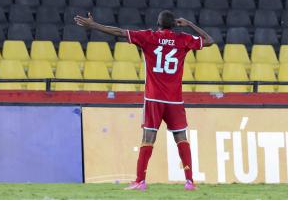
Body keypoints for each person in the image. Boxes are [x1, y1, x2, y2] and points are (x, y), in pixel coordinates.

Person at [74, 10, 214, 191]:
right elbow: (210, 40)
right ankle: (189, 181)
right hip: (175, 100)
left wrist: (93, 25)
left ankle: (140, 181)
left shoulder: (148, 37)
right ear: (174, 25)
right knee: (181, 138)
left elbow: (119, 32)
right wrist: (189, 24)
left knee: (148, 138)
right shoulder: (183, 39)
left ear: (158, 23)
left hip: (154, 98)